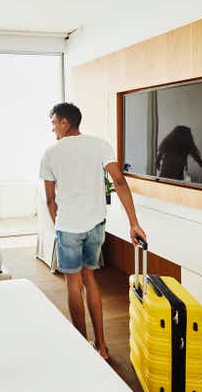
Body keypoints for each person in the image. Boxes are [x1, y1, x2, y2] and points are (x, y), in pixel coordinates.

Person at [40, 102, 147, 360]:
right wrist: (134, 223)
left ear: (65, 122)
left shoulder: (50, 153)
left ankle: (83, 352)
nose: (52, 127)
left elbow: (50, 200)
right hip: (96, 225)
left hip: (69, 227)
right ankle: (102, 347)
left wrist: (58, 225)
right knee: (90, 279)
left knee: (74, 285)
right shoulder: (100, 145)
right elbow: (119, 181)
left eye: (54, 122)